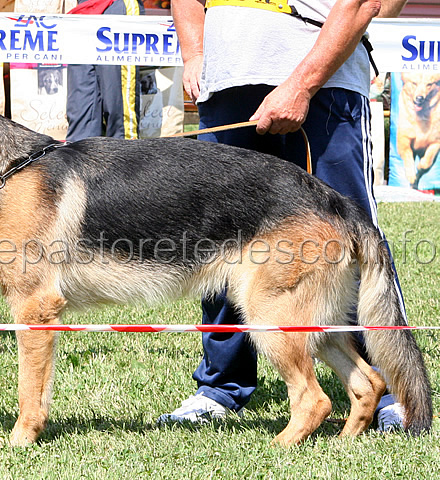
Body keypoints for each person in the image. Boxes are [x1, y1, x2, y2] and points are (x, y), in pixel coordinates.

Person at [159, 0, 408, 432]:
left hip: (325, 84)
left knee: (347, 239)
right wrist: (194, 52)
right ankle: (221, 387)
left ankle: (391, 388)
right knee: (218, 244)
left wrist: (302, 84)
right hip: (229, 85)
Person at [66, 0, 144, 142]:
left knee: (119, 113)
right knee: (80, 113)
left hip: (115, 6)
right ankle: (81, 162)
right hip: (81, 12)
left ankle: (126, 162)